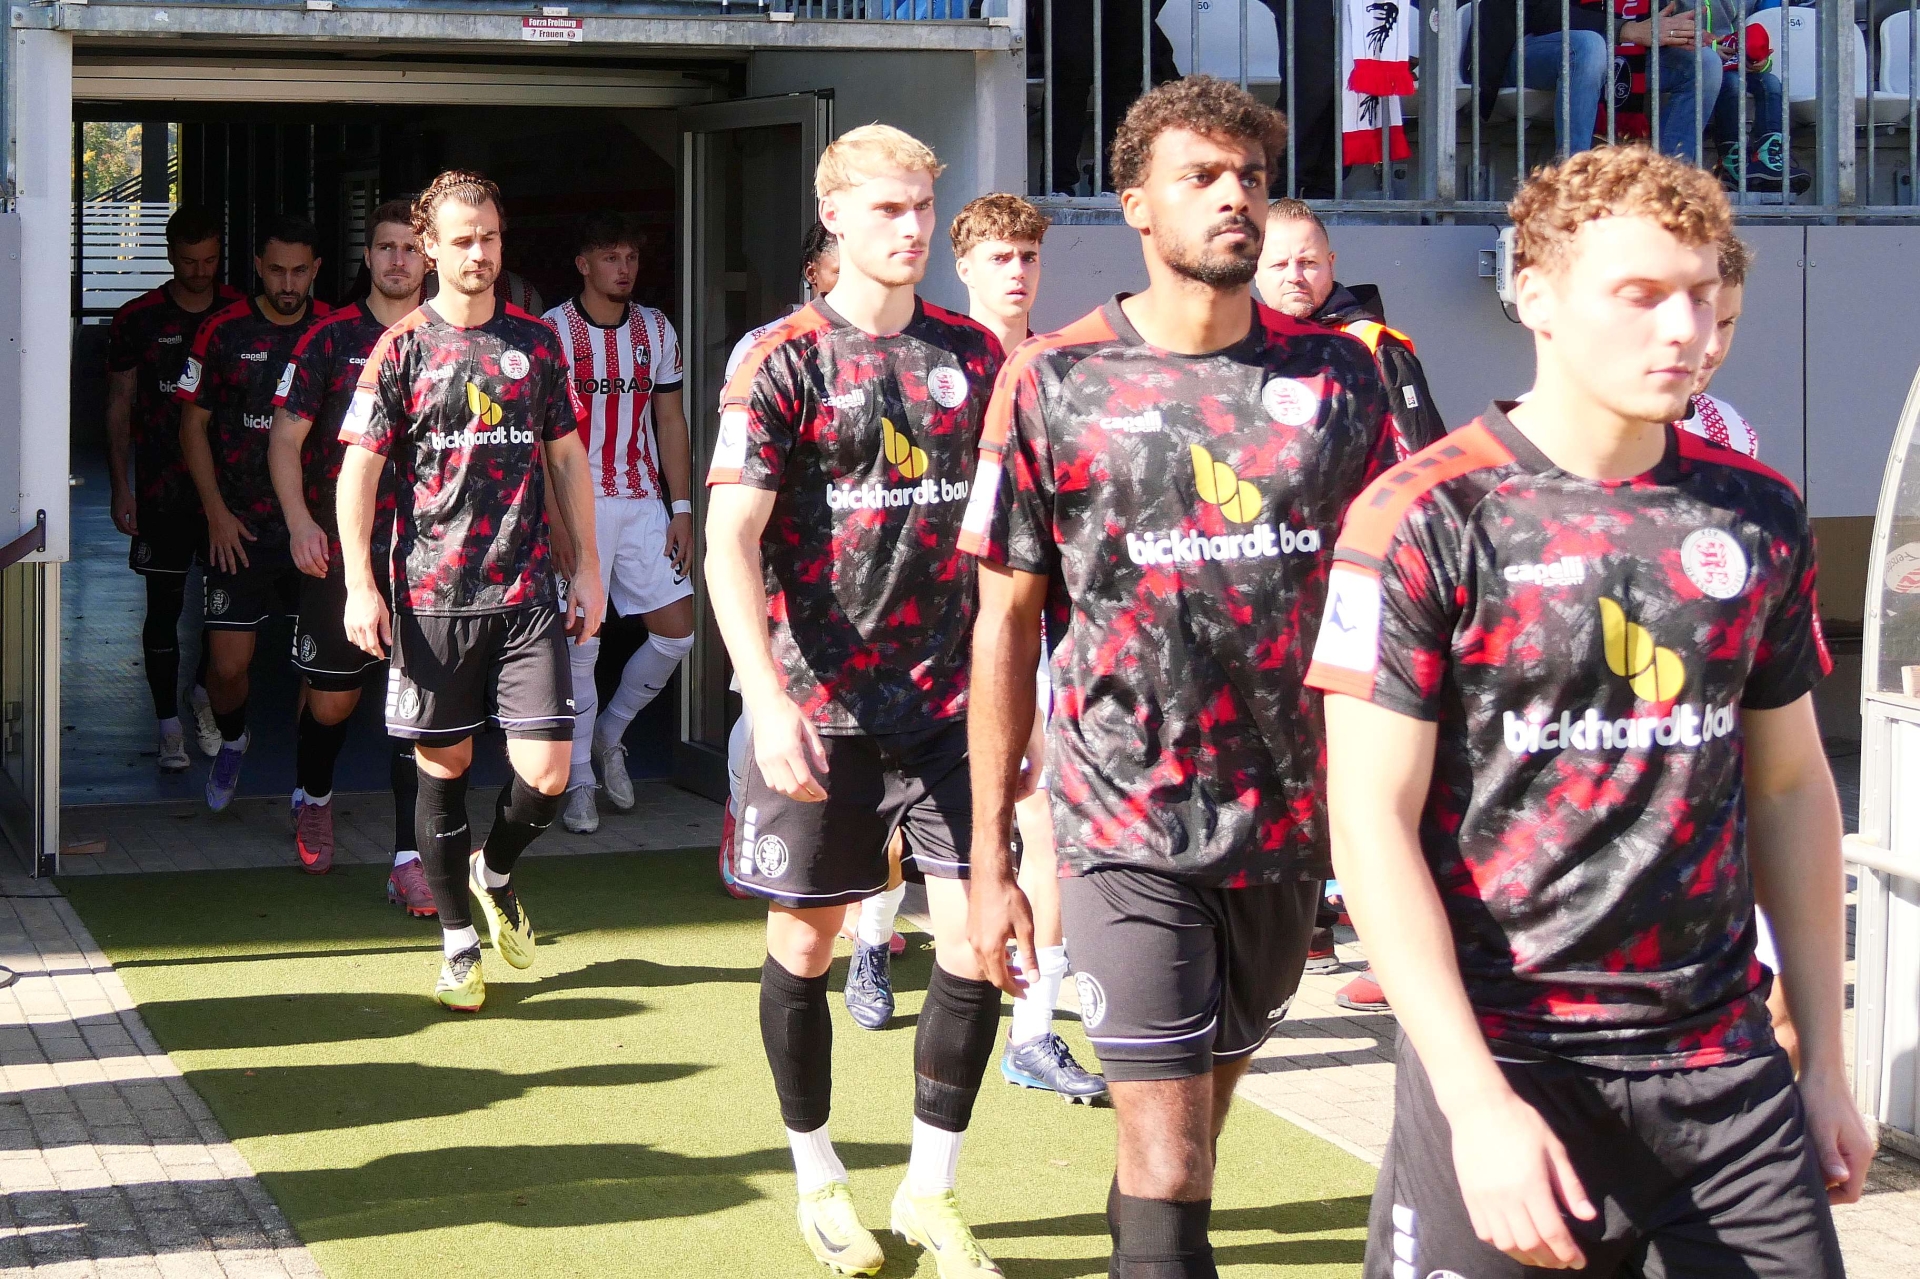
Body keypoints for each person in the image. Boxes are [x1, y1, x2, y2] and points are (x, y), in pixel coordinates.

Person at [1305, 144, 1872, 1278]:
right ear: (1537, 295)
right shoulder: (1422, 515)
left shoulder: (1756, 512)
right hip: (1511, 1068)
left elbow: (1792, 787)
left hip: (1724, 1076)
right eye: (1642, 294)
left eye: (1703, 295)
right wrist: (1475, 1103)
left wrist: (1825, 1062)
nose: (1686, 330)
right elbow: (1369, 823)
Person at [963, 76, 1394, 1276]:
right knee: (1169, 1155)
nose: (1234, 197)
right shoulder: (1051, 377)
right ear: (1136, 205)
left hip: (1291, 822)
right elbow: (1003, 624)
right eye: (1201, 176)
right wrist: (992, 855)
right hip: (1124, 818)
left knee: (1195, 1124)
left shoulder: (1343, 379)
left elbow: (1396, 605)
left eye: (1249, 176)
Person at [706, 124, 1007, 1277]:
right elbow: (729, 540)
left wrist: (1022, 705)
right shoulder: (779, 358)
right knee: (807, 939)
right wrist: (763, 692)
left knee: (976, 941)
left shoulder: (976, 356)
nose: (912, 228)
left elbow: (1012, 545)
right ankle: (818, 1174)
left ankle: (931, 1189)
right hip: (819, 709)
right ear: (834, 215)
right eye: (888, 208)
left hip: (951, 709)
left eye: (923, 208)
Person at [338, 169, 606, 1012]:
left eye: (489, 236)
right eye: (462, 239)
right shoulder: (401, 347)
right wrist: (358, 584)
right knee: (443, 766)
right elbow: (358, 472)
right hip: (432, 597)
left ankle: (496, 869)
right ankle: (458, 942)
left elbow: (566, 458)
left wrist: (587, 566)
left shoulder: (538, 343)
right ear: (429, 248)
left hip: (527, 590)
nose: (479, 252)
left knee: (548, 772)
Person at [948, 192, 1107, 1105]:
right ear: (964, 267)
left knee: (1044, 821)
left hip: (1027, 630)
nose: (1016, 272)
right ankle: (873, 940)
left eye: (1028, 257)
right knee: (897, 826)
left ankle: (1035, 1030)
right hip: (928, 635)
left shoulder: (1059, 369)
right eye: (999, 257)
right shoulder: (936, 361)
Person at [268, 200, 431, 895]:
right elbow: (284, 440)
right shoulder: (329, 338)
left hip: (432, 557)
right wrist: (301, 523)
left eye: (410, 248)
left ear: (429, 258)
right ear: (368, 257)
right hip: (344, 554)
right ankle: (314, 795)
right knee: (332, 704)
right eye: (386, 247)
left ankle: (409, 859)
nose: (398, 259)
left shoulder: (453, 338)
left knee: (418, 711)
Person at [543, 214, 695, 836]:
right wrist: (556, 522)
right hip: (579, 503)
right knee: (583, 644)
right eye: (610, 257)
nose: (623, 268)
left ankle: (611, 733)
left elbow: (670, 421)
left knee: (678, 633)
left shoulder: (657, 328)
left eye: (630, 256)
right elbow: (540, 436)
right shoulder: (552, 330)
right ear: (583, 264)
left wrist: (681, 509)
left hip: (641, 500)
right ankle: (579, 778)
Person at [176, 214, 332, 814]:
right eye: (277, 270)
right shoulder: (222, 330)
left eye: (300, 271)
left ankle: (306, 784)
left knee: (317, 669)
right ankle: (234, 740)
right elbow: (192, 426)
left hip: (314, 529)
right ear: (259, 268)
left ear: (316, 270)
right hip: (239, 528)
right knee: (226, 668)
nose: (288, 283)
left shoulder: (335, 331)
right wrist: (215, 512)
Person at [104, 206, 243, 771]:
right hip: (161, 490)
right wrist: (120, 486)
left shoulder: (239, 313)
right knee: (162, 608)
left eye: (209, 260)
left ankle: (203, 694)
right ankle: (167, 725)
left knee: (225, 611)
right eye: (189, 261)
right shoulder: (137, 318)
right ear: (169, 256)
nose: (200, 271)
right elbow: (118, 404)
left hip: (228, 494)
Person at [1257, 199, 1447, 458]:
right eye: (1279, 264)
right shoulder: (1241, 350)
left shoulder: (1373, 345)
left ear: (1331, 264)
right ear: (1254, 271)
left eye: (1308, 262)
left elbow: (1425, 462)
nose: (1294, 276)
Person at [1469, 0, 1723, 163]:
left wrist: (1676, 32)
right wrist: (1625, 29)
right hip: (1521, 46)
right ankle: (1573, 178)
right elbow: (1540, 12)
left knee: (1704, 63)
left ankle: (1671, 184)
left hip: (1607, 48)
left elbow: (1648, 16)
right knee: (1589, 47)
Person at [1677, 232, 1760, 458]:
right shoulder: (1590, 429)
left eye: (1725, 324)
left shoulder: (1735, 433)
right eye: (1694, 320)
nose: (1714, 347)